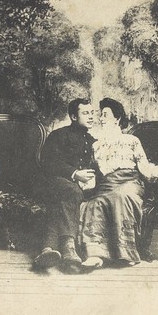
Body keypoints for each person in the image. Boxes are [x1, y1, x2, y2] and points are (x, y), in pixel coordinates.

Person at [81, 98, 158, 270]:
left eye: (105, 115)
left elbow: (144, 165)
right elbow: (93, 171)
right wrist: (83, 184)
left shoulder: (131, 140)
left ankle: (125, 254)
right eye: (100, 115)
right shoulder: (96, 145)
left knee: (120, 196)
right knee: (95, 203)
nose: (101, 118)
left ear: (117, 119)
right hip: (107, 184)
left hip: (130, 181)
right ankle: (96, 255)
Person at [32, 98, 96, 273]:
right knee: (70, 191)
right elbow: (48, 163)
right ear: (74, 117)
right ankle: (69, 248)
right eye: (85, 113)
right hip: (52, 181)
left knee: (61, 201)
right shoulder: (59, 135)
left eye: (92, 113)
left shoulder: (92, 140)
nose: (91, 117)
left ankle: (47, 250)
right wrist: (75, 174)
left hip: (75, 188)